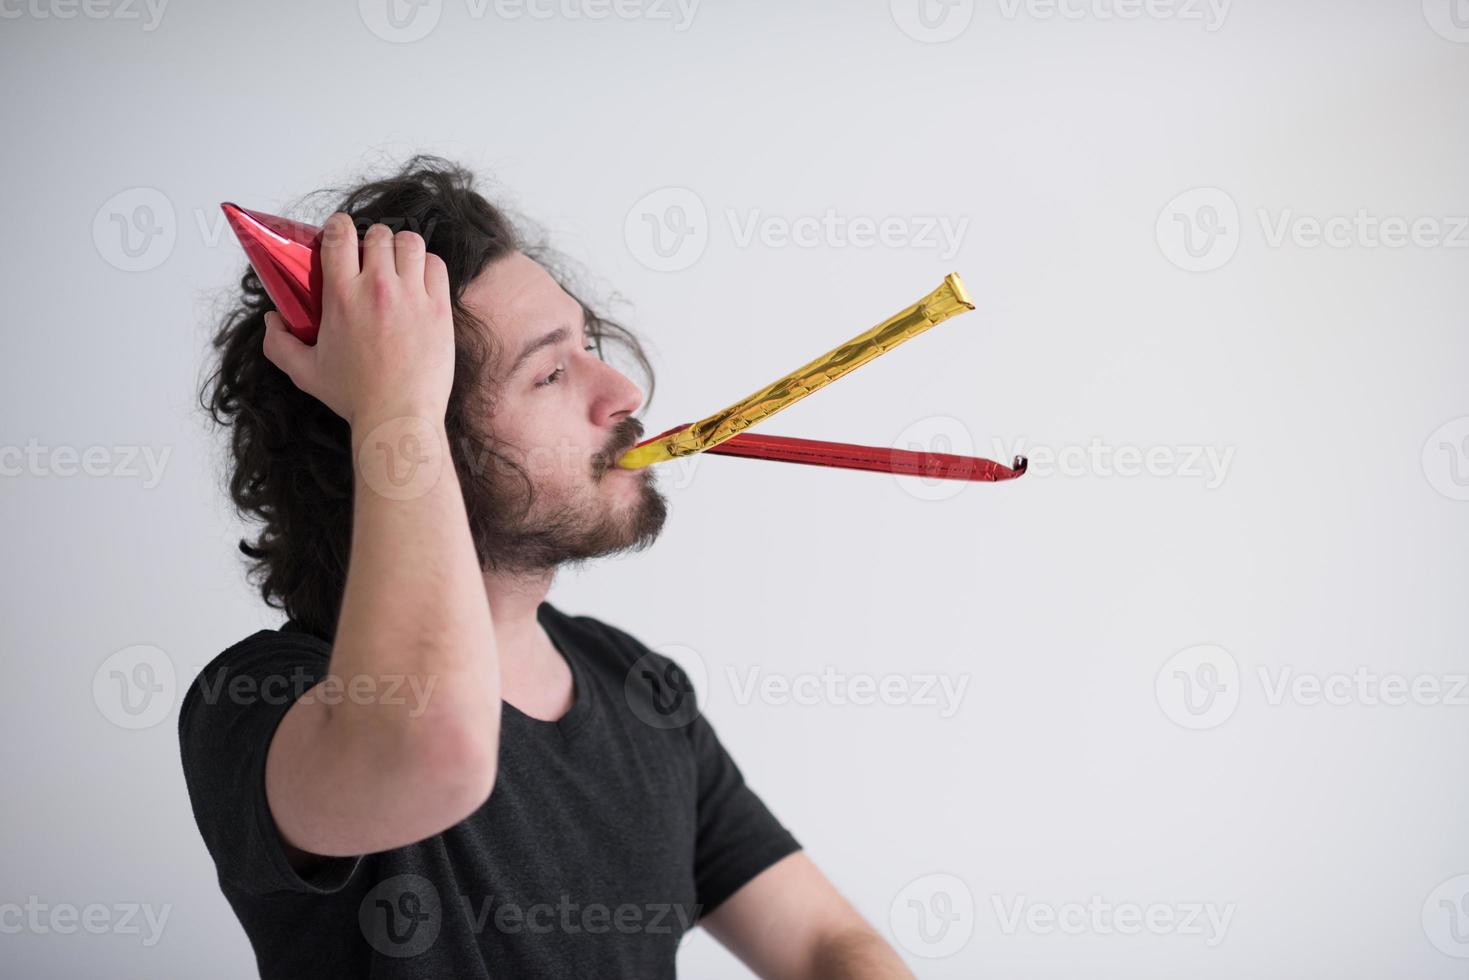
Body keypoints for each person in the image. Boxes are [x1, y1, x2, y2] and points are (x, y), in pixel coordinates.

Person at [179, 155, 914, 978]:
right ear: (412, 433)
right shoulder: (260, 701)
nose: (622, 393)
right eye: (552, 371)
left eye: (587, 343)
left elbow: (825, 944)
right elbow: (438, 751)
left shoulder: (638, 685)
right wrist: (392, 405)